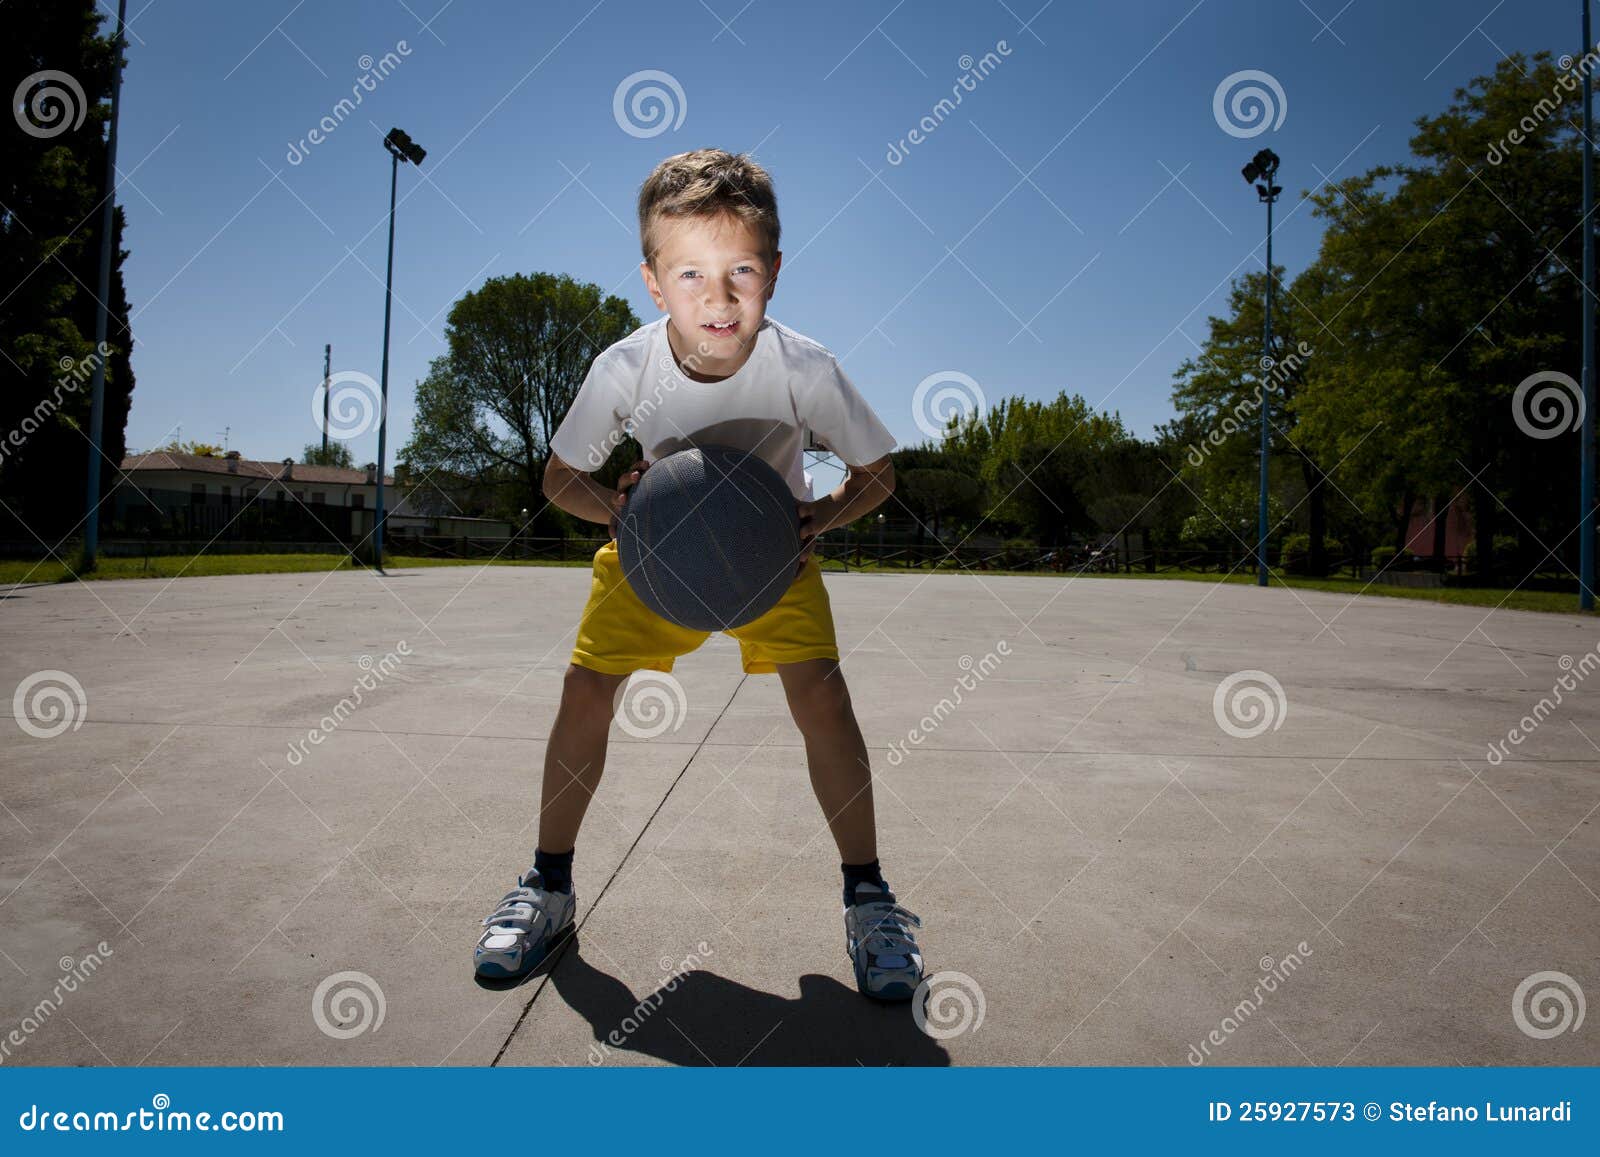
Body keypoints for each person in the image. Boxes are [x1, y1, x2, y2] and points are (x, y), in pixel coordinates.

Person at [473, 148, 924, 1002]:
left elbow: (880, 475)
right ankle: (548, 882)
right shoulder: (625, 367)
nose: (717, 299)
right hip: (653, 557)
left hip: (772, 560)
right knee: (583, 690)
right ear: (652, 281)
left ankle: (870, 896)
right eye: (690, 275)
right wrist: (620, 509)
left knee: (824, 699)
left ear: (775, 273)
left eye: (740, 271)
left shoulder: (804, 369)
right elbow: (558, 478)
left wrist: (815, 517)